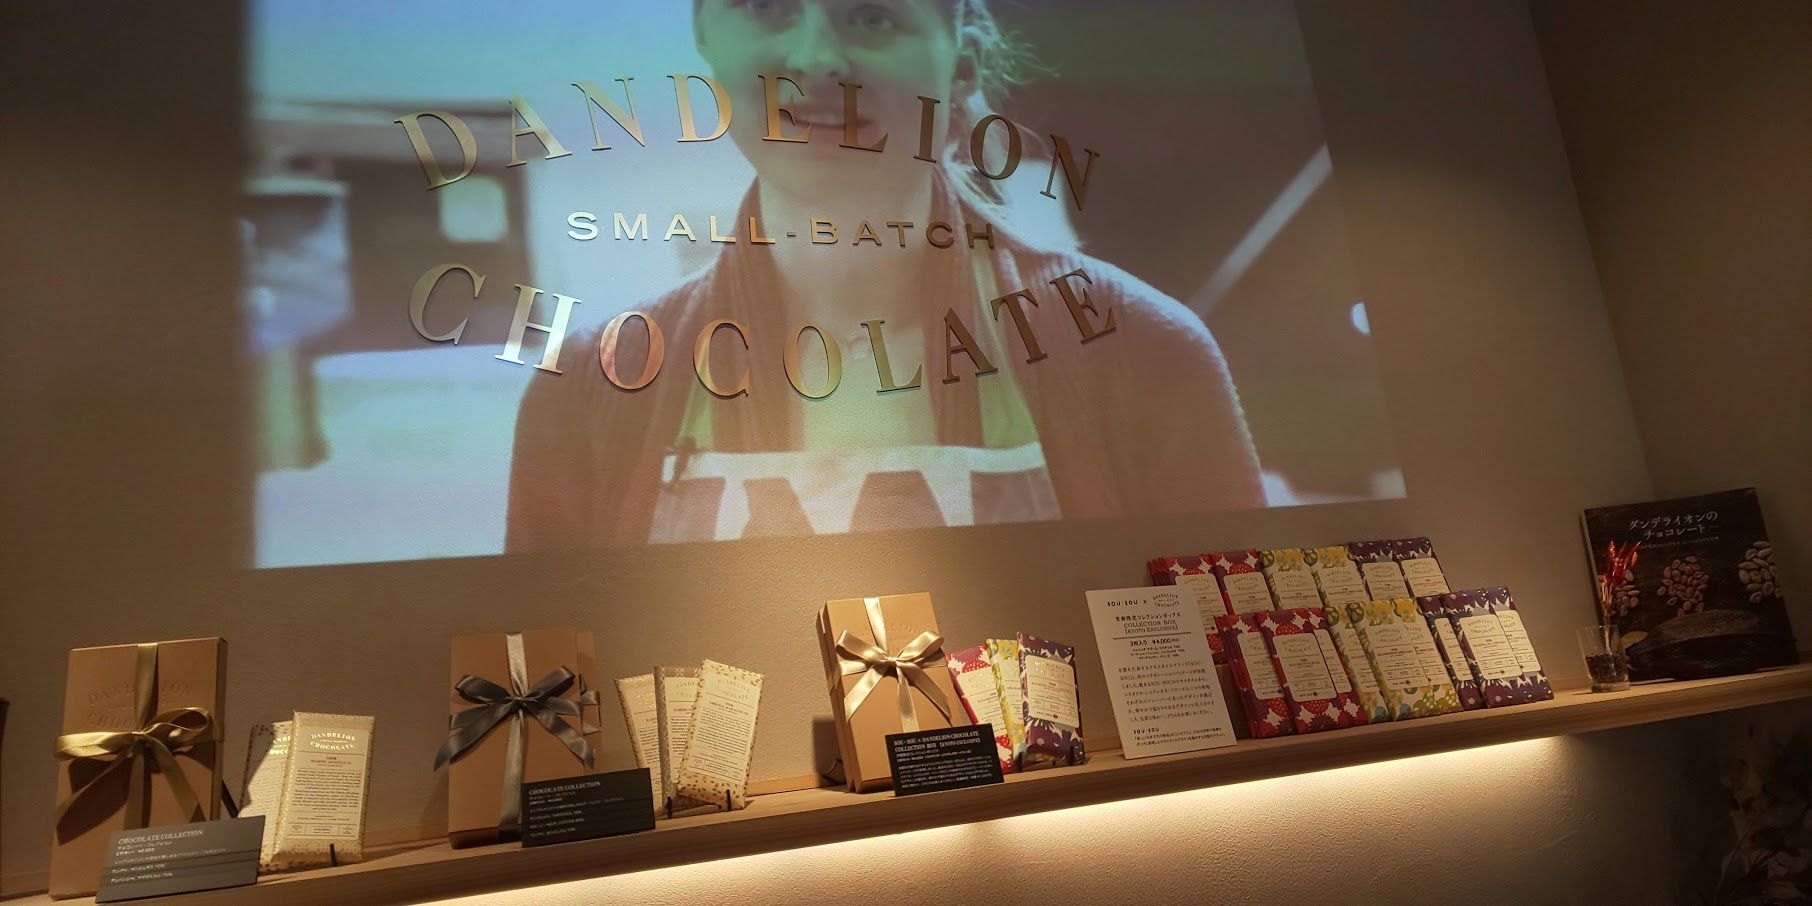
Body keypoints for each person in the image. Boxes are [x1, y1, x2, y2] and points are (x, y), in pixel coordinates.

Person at [505, 0, 1262, 549]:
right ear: (706, 32)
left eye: (870, 16)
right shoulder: (591, 386)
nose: (815, 59)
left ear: (960, 57)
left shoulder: (1142, 353)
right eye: (767, 7)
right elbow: (550, 700)